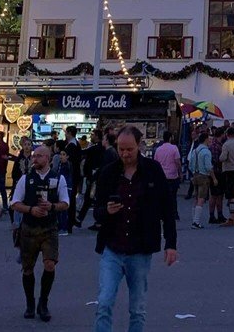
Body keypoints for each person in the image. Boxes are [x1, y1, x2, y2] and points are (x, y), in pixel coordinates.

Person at [92, 126, 177, 332]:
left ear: (139, 146)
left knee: (137, 309)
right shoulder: (109, 172)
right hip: (112, 248)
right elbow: (97, 211)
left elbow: (167, 208)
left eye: (129, 149)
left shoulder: (152, 170)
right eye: (121, 149)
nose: (125, 154)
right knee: (104, 303)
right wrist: (107, 211)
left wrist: (171, 245)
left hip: (140, 249)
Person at [11, 145, 69, 322]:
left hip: (49, 228)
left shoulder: (58, 179)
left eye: (39, 156)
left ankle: (43, 302)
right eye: (34, 156)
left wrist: (52, 207)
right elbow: (14, 203)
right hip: (29, 228)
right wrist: (30, 210)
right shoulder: (25, 179)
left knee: (50, 264)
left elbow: (65, 203)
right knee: (27, 269)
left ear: (48, 158)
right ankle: (30, 303)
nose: (34, 159)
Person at [77, 130, 105, 229]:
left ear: (97, 136)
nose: (91, 136)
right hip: (93, 177)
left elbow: (84, 153)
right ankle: (81, 219)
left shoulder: (96, 148)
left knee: (91, 198)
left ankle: (82, 219)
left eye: (92, 135)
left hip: (94, 178)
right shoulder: (96, 147)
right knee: (90, 199)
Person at [153, 131, 182, 222]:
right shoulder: (174, 148)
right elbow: (178, 162)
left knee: (162, 196)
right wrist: (180, 172)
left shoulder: (158, 149)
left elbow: (155, 163)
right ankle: (174, 213)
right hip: (173, 176)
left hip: (162, 176)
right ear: (170, 138)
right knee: (173, 196)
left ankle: (162, 213)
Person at [188, 133, 215, 229]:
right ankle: (196, 221)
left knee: (196, 198)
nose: (210, 141)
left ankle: (194, 219)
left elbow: (190, 164)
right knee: (201, 198)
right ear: (206, 139)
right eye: (209, 139)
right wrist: (214, 178)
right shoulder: (206, 152)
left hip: (195, 174)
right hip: (203, 176)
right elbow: (208, 167)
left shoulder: (195, 150)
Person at [63, 126, 83, 233]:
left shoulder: (72, 146)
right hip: (74, 175)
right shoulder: (75, 144)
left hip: (71, 176)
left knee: (69, 199)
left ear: (70, 133)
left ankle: (69, 223)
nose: (65, 134)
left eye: (66, 132)